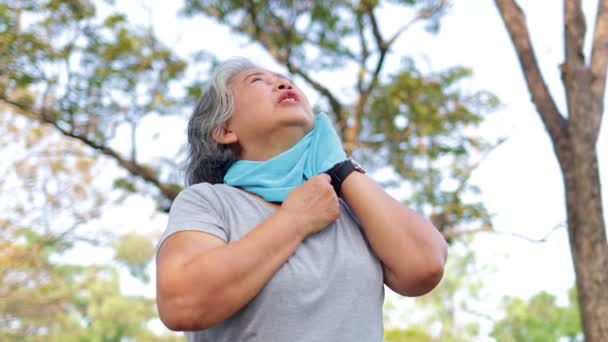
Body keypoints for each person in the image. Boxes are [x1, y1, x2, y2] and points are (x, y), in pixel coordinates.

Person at [155, 57, 448, 342]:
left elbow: (425, 267)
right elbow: (182, 303)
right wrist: (295, 221)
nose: (282, 84)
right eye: (258, 81)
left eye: (284, 80)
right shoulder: (208, 202)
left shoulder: (348, 204)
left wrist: (341, 168)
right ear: (225, 131)